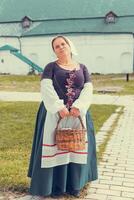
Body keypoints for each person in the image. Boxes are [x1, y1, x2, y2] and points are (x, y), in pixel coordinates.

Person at [27, 35, 98, 199]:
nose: (61, 47)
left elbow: (88, 88)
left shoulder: (83, 67)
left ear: (69, 45)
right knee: (55, 147)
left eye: (63, 44)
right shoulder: (50, 67)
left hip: (77, 114)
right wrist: (59, 107)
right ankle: (52, 186)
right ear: (54, 51)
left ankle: (74, 185)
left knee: (75, 147)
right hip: (54, 113)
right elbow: (46, 87)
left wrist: (78, 107)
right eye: (56, 46)